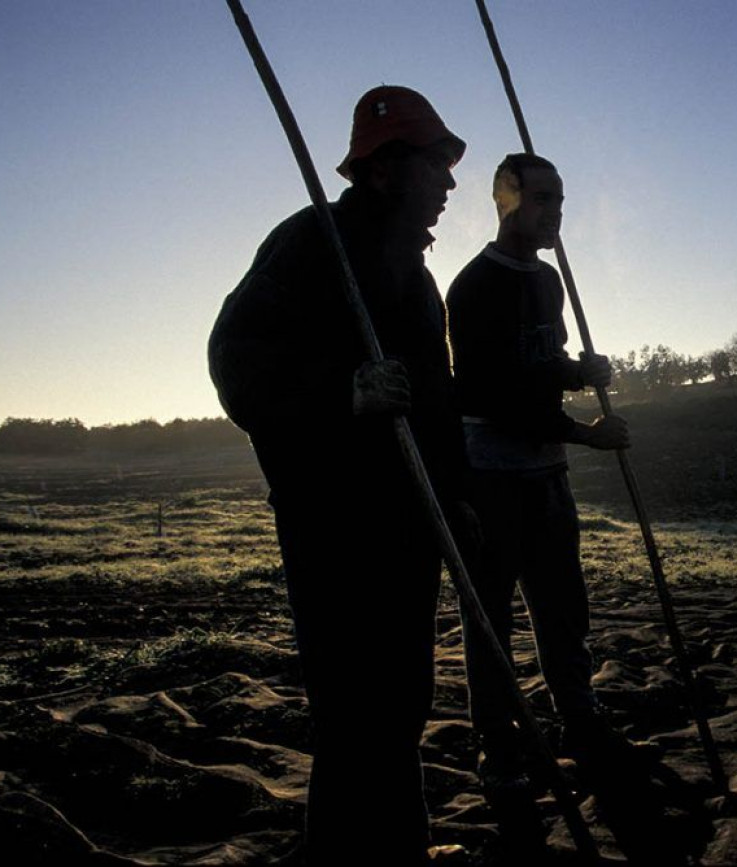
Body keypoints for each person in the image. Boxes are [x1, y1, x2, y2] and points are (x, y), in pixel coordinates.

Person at [208, 85, 474, 865]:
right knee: (353, 711)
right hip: (335, 525)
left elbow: (437, 398)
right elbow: (236, 362)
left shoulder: (417, 276)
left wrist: (456, 497)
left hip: (407, 522)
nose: (452, 184)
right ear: (387, 168)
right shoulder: (311, 244)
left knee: (400, 705)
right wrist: (343, 392)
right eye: (437, 164)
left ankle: (400, 845)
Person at [445, 153, 637, 813]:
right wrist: (583, 430)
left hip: (546, 473)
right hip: (491, 474)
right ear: (507, 201)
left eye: (561, 199)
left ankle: (580, 719)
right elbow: (491, 391)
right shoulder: (472, 287)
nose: (556, 212)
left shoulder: (550, 281)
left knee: (563, 605)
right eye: (543, 199)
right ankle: (497, 748)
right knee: (491, 618)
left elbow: (541, 361)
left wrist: (581, 369)